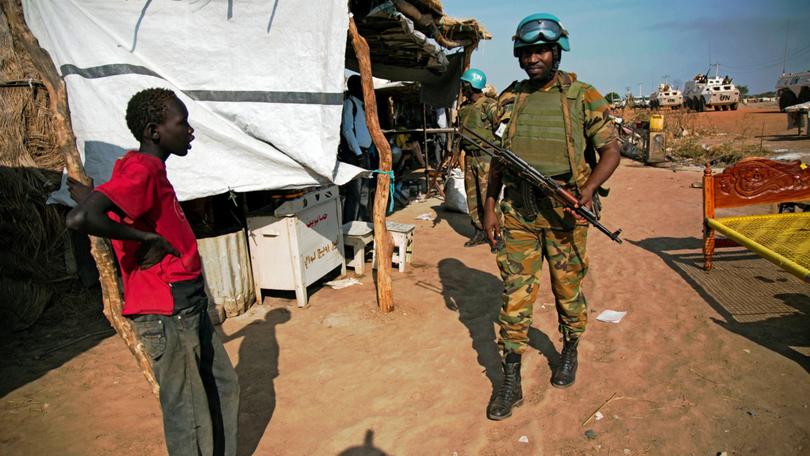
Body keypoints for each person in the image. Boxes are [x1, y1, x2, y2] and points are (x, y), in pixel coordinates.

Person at [66, 88, 240, 455]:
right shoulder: (143, 169)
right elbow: (82, 218)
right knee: (190, 414)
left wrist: (96, 198)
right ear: (154, 131)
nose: (190, 131)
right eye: (182, 123)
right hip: (168, 310)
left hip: (186, 304)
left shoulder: (143, 169)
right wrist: (149, 238)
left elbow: (107, 208)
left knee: (222, 387)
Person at [482, 13, 620, 420]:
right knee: (515, 297)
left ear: (557, 52)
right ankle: (510, 381)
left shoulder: (584, 96)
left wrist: (588, 191)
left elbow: (611, 150)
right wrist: (489, 207)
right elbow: (498, 159)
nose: (532, 59)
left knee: (567, 291)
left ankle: (570, 349)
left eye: (540, 50)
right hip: (519, 213)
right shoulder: (512, 98)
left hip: (566, 213)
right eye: (525, 52)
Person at [452, 68, 499, 247]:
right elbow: (460, 133)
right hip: (471, 157)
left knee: (489, 197)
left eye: (465, 84)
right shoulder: (464, 108)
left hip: (487, 158)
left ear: (472, 85)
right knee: (472, 197)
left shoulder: (489, 105)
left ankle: (497, 234)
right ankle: (479, 231)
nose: (463, 88)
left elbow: (502, 129)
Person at [341, 75, 376, 222]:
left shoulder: (361, 105)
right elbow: (347, 131)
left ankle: (361, 225)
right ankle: (350, 227)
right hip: (355, 155)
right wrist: (359, 154)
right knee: (355, 194)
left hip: (365, 153)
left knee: (364, 192)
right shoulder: (350, 104)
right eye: (360, 85)